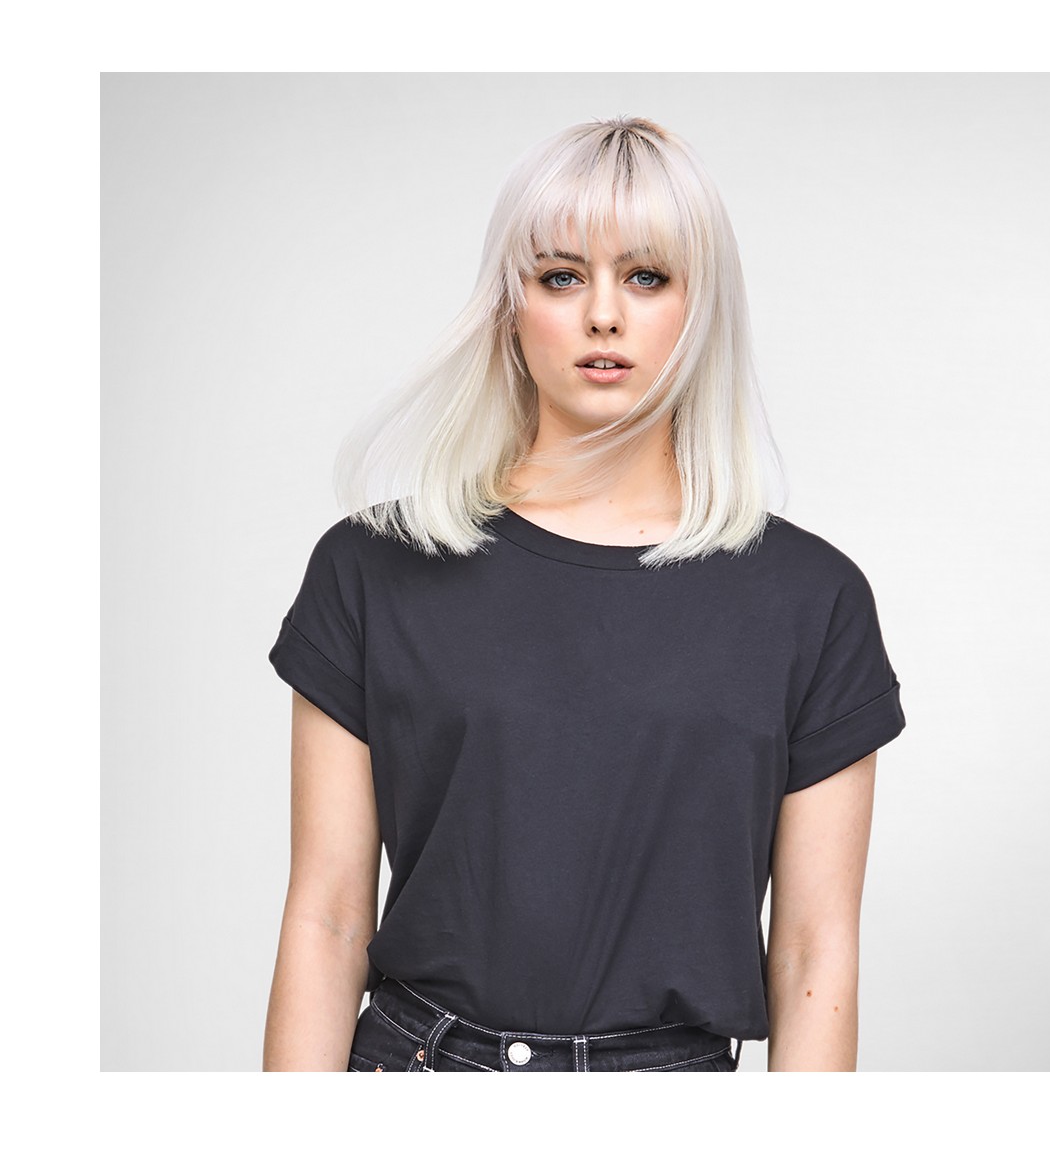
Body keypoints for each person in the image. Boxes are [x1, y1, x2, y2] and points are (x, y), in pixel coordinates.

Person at [263, 115, 906, 1072]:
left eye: (646, 277)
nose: (604, 315)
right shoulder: (371, 568)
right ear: (507, 306)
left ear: (701, 306)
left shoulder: (813, 602)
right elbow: (326, 918)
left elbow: (816, 953)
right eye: (562, 277)